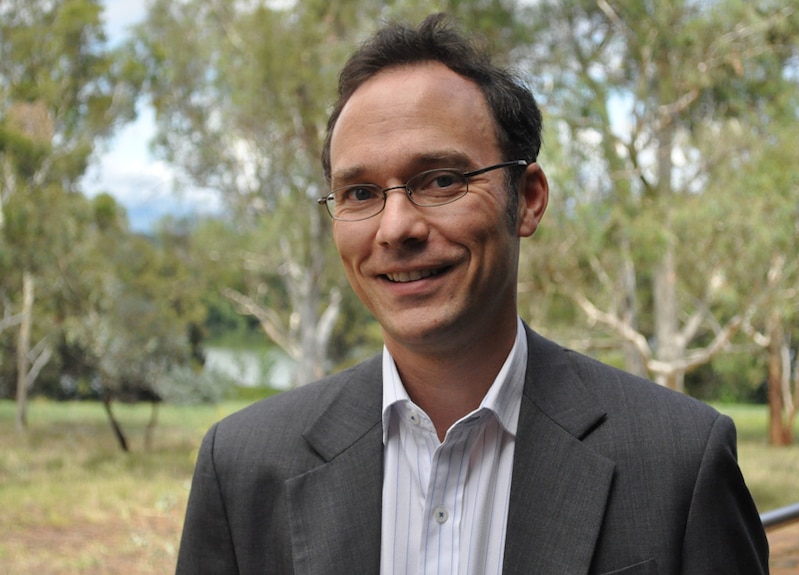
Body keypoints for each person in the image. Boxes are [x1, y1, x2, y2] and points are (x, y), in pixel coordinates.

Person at [176, 13, 769, 575]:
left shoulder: (679, 462)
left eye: (441, 180)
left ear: (528, 198)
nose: (396, 228)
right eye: (359, 192)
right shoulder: (243, 468)